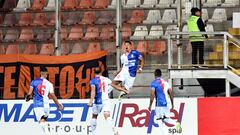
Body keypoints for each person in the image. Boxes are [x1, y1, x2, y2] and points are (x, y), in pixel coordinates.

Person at [87, 67, 128, 135]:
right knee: (107, 116)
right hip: (106, 100)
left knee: (94, 116)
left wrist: (90, 101)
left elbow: (93, 91)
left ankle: (93, 133)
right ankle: (114, 129)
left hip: (98, 101)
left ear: (94, 72)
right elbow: (115, 86)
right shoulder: (106, 79)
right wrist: (123, 90)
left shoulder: (93, 81)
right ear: (101, 72)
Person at [25, 68, 63, 135]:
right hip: (46, 105)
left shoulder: (34, 82)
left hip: (38, 105)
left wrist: (27, 98)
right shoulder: (49, 84)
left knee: (42, 121)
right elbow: (53, 95)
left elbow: (29, 93)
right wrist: (58, 105)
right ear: (46, 74)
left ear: (40, 73)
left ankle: (47, 133)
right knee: (43, 120)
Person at [148, 69, 181, 134]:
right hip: (167, 104)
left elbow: (152, 94)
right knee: (166, 118)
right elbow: (171, 92)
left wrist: (150, 105)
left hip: (159, 104)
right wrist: (172, 104)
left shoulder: (154, 83)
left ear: (154, 74)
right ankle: (176, 123)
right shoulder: (166, 83)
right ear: (161, 74)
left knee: (159, 120)